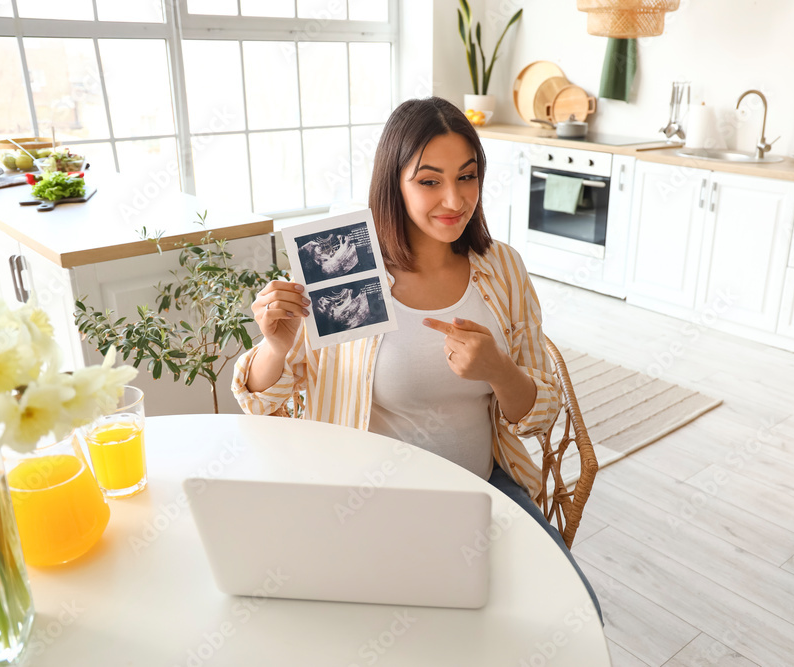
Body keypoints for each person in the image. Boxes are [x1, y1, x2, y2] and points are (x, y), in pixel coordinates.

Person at [231, 96, 602, 622]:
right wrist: (276, 344)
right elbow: (262, 402)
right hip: (367, 505)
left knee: (572, 613)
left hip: (482, 492)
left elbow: (541, 413)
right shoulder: (347, 267)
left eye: (467, 176)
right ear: (394, 183)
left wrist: (498, 369)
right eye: (429, 181)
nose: (455, 199)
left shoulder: (501, 269)